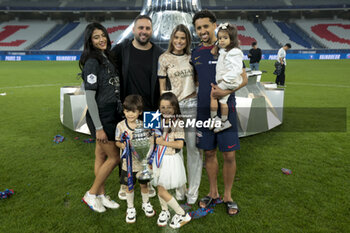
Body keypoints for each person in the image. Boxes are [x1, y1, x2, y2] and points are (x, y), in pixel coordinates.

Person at [191, 10, 247, 216]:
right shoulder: (195, 53)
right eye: (199, 28)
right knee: (209, 152)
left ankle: (228, 196)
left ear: (215, 25)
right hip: (204, 111)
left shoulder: (229, 49)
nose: (203, 31)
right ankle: (213, 193)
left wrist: (226, 91)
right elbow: (197, 80)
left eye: (206, 26)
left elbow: (244, 78)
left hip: (226, 108)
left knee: (229, 154)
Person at [111, 14, 163, 199]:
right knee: (126, 149)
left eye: (147, 28)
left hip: (152, 110)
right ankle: (125, 183)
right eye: (140, 28)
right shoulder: (121, 50)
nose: (144, 31)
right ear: (133, 30)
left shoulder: (159, 53)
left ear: (151, 31)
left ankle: (146, 181)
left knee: (149, 150)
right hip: (128, 110)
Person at [157, 24, 202, 205]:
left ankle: (193, 194)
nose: (179, 41)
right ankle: (180, 190)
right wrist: (166, 112)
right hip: (173, 110)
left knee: (193, 150)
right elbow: (162, 88)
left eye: (183, 38)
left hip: (192, 106)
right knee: (175, 150)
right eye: (176, 38)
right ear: (172, 39)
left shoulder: (192, 57)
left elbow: (197, 83)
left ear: (187, 40)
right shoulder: (164, 58)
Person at [80, 22, 122, 213]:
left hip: (111, 112)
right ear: (90, 41)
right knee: (114, 157)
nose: (101, 39)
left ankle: (101, 196)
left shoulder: (107, 57)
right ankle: (91, 193)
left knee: (101, 155)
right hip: (101, 115)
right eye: (96, 37)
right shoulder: (92, 61)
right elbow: (90, 96)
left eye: (102, 35)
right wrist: (98, 126)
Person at [150, 92, 191, 229]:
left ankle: (181, 213)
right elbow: (153, 141)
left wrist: (163, 142)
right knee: (160, 186)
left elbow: (179, 145)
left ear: (175, 108)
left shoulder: (178, 122)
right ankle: (165, 211)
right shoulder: (156, 120)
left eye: (169, 107)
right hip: (158, 158)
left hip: (170, 160)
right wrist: (149, 159)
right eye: (163, 107)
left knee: (161, 190)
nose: (166, 110)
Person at [115, 95, 155, 223]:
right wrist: (124, 145)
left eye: (133, 111)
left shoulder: (144, 125)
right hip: (128, 164)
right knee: (129, 186)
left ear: (140, 112)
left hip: (142, 163)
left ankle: (146, 203)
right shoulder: (120, 126)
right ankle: (130, 207)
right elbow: (117, 142)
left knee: (144, 185)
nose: (130, 114)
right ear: (124, 111)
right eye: (127, 111)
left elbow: (151, 142)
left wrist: (149, 160)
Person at [209, 23, 243, 133]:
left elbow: (237, 69)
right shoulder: (225, 50)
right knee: (223, 101)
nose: (221, 40)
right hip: (228, 79)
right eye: (220, 38)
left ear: (232, 39)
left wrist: (225, 80)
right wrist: (216, 45)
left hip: (229, 80)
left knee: (213, 95)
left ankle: (214, 118)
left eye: (225, 38)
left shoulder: (234, 52)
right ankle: (224, 121)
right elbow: (219, 46)